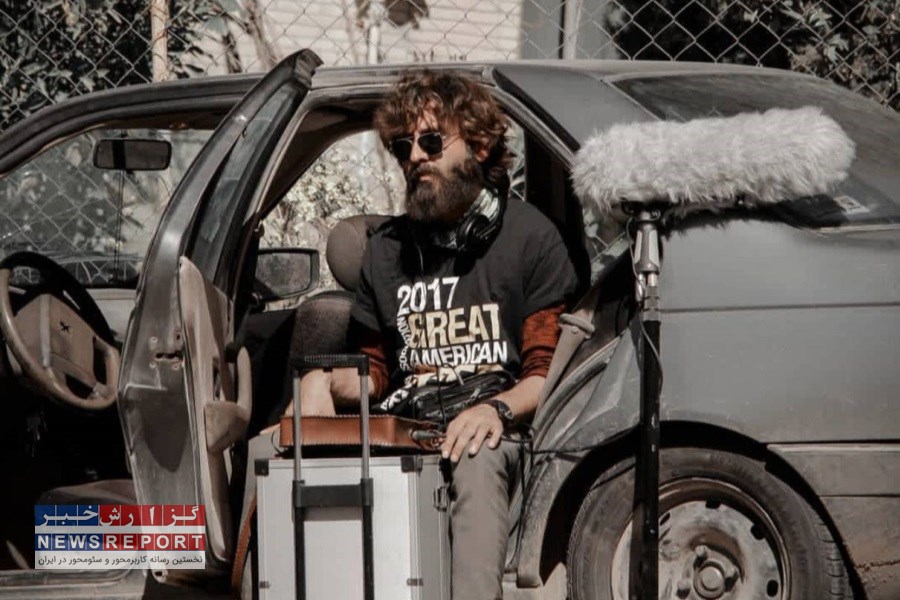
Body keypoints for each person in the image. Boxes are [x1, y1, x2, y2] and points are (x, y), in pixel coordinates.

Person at [295, 69, 580, 600]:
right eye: (403, 147)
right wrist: (325, 381)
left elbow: (546, 374)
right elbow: (376, 372)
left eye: (430, 142)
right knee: (273, 447)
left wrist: (495, 410)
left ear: (480, 144)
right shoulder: (386, 250)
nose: (415, 157)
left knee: (475, 455)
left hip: (494, 427)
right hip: (408, 425)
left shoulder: (531, 238)